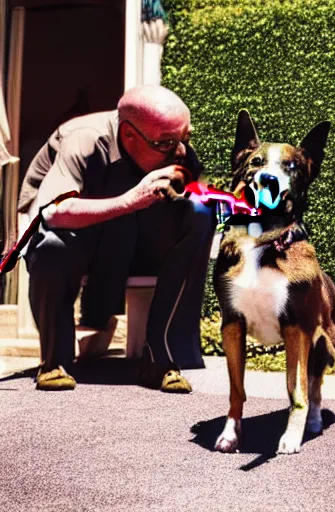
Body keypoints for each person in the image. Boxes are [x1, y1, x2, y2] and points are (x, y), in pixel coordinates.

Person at [17, 85, 215, 392]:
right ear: (129, 135)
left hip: (129, 230)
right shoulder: (84, 139)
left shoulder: (172, 146)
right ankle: (54, 361)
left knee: (200, 216)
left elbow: (195, 195)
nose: (178, 151)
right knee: (52, 247)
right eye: (165, 142)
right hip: (70, 232)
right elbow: (52, 213)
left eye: (184, 138)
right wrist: (130, 200)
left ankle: (160, 356)